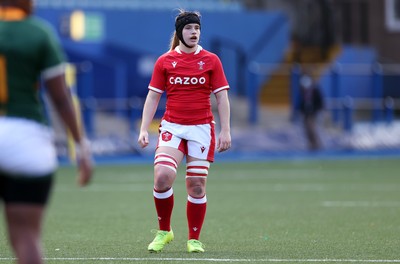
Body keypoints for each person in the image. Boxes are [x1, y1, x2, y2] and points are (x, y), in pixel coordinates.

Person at [0, 1, 93, 263]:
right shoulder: (38, 32)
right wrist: (82, 147)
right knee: (26, 235)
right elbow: (61, 98)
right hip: (25, 137)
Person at [137, 10, 231, 253]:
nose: (194, 33)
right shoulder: (165, 61)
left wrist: (225, 130)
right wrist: (144, 128)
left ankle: (194, 239)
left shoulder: (211, 60)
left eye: (197, 29)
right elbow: (152, 97)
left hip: (201, 128)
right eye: (189, 29)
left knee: (197, 185)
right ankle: (164, 232)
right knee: (162, 177)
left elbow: (222, 97)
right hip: (173, 127)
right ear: (180, 32)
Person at [297, 71, 324, 151]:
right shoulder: (303, 92)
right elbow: (302, 103)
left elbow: (320, 103)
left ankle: (317, 144)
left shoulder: (315, 91)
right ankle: (311, 143)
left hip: (314, 113)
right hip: (307, 114)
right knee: (307, 129)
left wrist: (315, 110)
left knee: (312, 128)